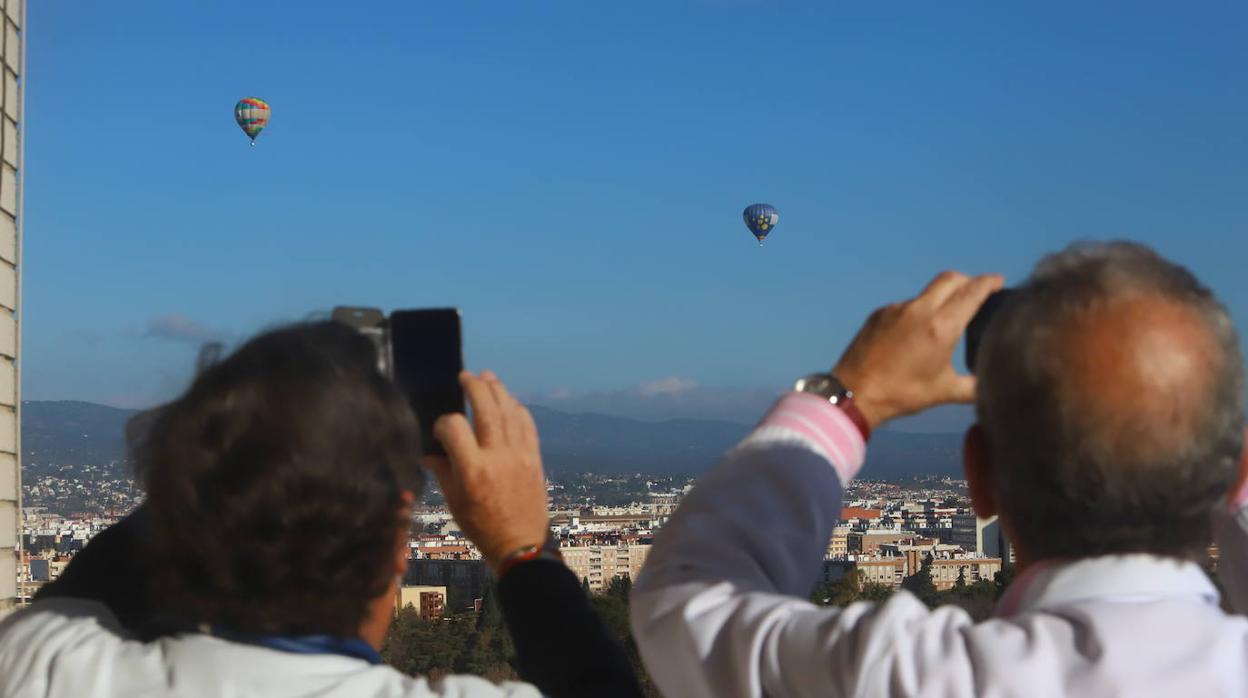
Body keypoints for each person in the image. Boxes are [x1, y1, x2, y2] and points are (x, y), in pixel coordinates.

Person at [631, 241, 1248, 696]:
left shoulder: (908, 678)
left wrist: (852, 396)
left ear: (977, 477)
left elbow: (685, 602)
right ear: (1231, 472)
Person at [0, 322, 643, 698]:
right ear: (397, 551)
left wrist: (255, 448)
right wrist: (522, 547)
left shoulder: (48, 670)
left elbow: (81, 589)